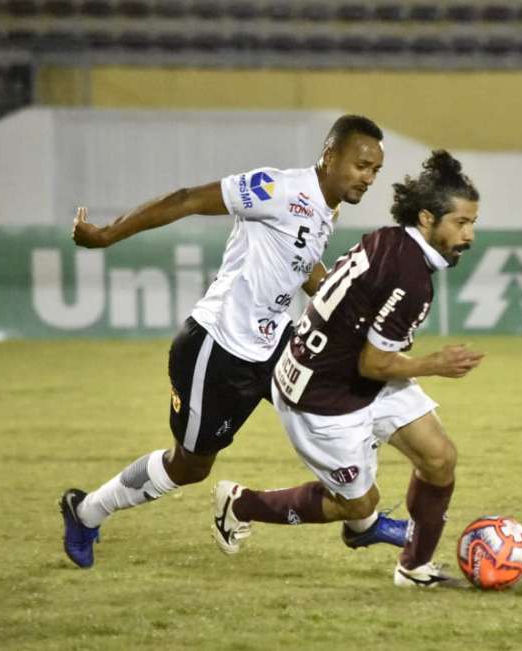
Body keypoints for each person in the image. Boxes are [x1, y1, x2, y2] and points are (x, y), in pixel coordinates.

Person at [59, 115, 408, 568]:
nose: (369, 177)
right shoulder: (276, 188)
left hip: (275, 341)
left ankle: (363, 520)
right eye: (362, 165)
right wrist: (107, 234)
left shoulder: (326, 208)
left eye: (376, 170)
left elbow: (301, 265)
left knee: (350, 397)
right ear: (330, 155)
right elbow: (187, 199)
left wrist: (346, 310)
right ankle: (85, 511)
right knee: (189, 467)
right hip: (218, 347)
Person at [210, 149, 484, 587]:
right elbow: (375, 362)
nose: (469, 235)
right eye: (462, 223)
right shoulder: (410, 278)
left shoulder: (392, 240)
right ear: (429, 219)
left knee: (439, 458)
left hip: (353, 377)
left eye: (472, 223)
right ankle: (242, 504)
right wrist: (435, 364)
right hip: (321, 398)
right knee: (357, 507)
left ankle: (413, 569)